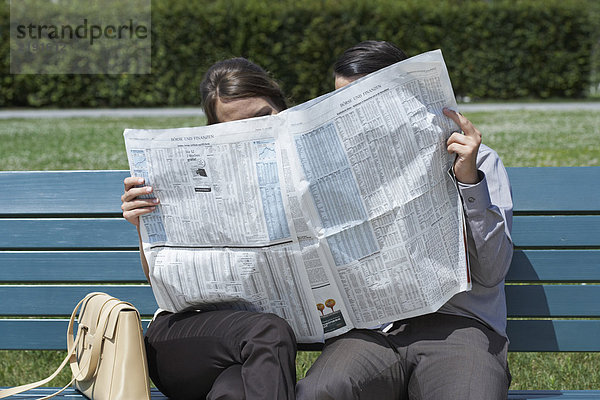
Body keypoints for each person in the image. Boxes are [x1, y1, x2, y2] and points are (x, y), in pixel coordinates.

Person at [296, 41, 513, 400]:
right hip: (371, 332)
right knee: (323, 391)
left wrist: (468, 181)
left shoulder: (479, 161)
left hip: (458, 326)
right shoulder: (328, 174)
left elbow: (491, 271)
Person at [121, 58, 297, 400]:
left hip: (248, 352)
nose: (254, 132)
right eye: (236, 128)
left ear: (280, 105)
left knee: (235, 389)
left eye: (262, 118)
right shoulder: (189, 175)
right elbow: (161, 282)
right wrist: (141, 227)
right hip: (184, 336)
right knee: (268, 330)